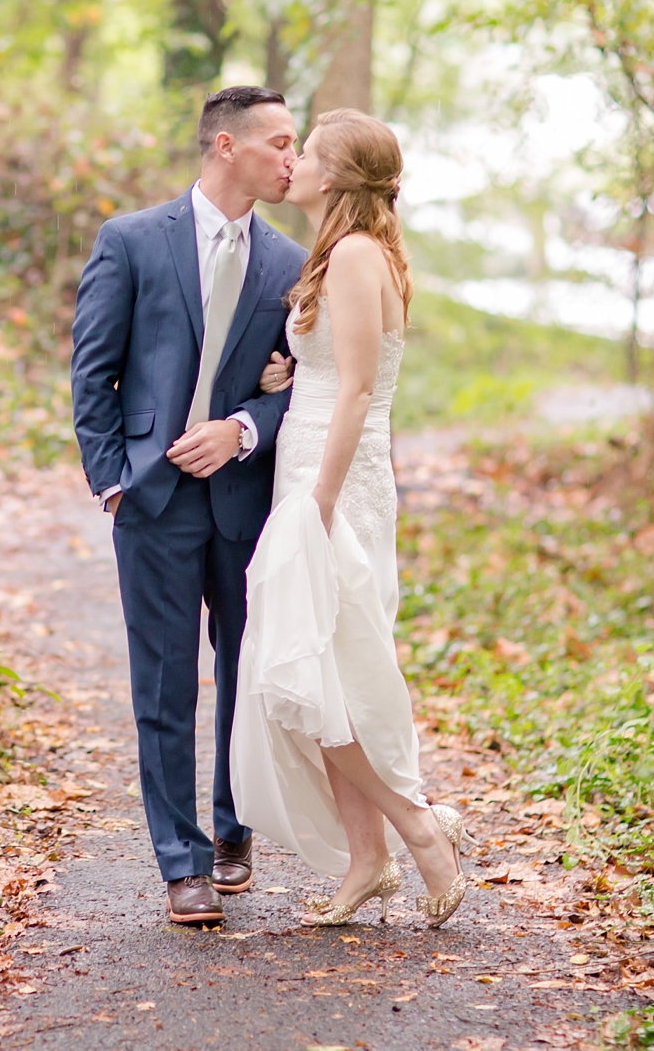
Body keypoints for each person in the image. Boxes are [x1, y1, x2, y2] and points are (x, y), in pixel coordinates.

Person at [229, 109, 473, 929]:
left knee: (314, 669)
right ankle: (368, 862)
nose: (291, 161)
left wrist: (321, 503)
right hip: (305, 467)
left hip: (335, 482)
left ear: (332, 177)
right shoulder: (334, 256)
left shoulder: (361, 255)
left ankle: (417, 829)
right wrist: (280, 380)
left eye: (307, 153)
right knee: (316, 670)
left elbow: (362, 390)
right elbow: (329, 372)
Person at [70, 86, 308, 926]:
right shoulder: (131, 241)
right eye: (280, 143)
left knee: (250, 671)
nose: (293, 159)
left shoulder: (291, 264)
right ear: (224, 146)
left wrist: (243, 427)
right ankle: (182, 862)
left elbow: (309, 388)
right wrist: (113, 477)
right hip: (154, 499)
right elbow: (92, 370)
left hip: (249, 502)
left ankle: (233, 825)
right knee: (166, 684)